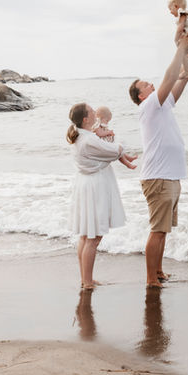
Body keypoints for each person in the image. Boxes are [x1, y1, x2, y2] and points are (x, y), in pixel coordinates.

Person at [128, 29, 188, 287]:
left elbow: (182, 77)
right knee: (157, 230)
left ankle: (158, 271)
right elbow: (170, 76)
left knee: (164, 230)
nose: (151, 84)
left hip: (170, 176)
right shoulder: (149, 106)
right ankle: (150, 278)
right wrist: (179, 46)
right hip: (157, 177)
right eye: (145, 85)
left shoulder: (164, 103)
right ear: (141, 96)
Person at [67, 102, 137, 289]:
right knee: (93, 237)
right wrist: (121, 141)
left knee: (85, 235)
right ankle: (88, 281)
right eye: (91, 111)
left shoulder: (83, 137)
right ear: (85, 119)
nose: (94, 113)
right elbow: (115, 150)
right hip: (95, 187)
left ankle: (86, 278)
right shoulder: (89, 140)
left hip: (87, 185)